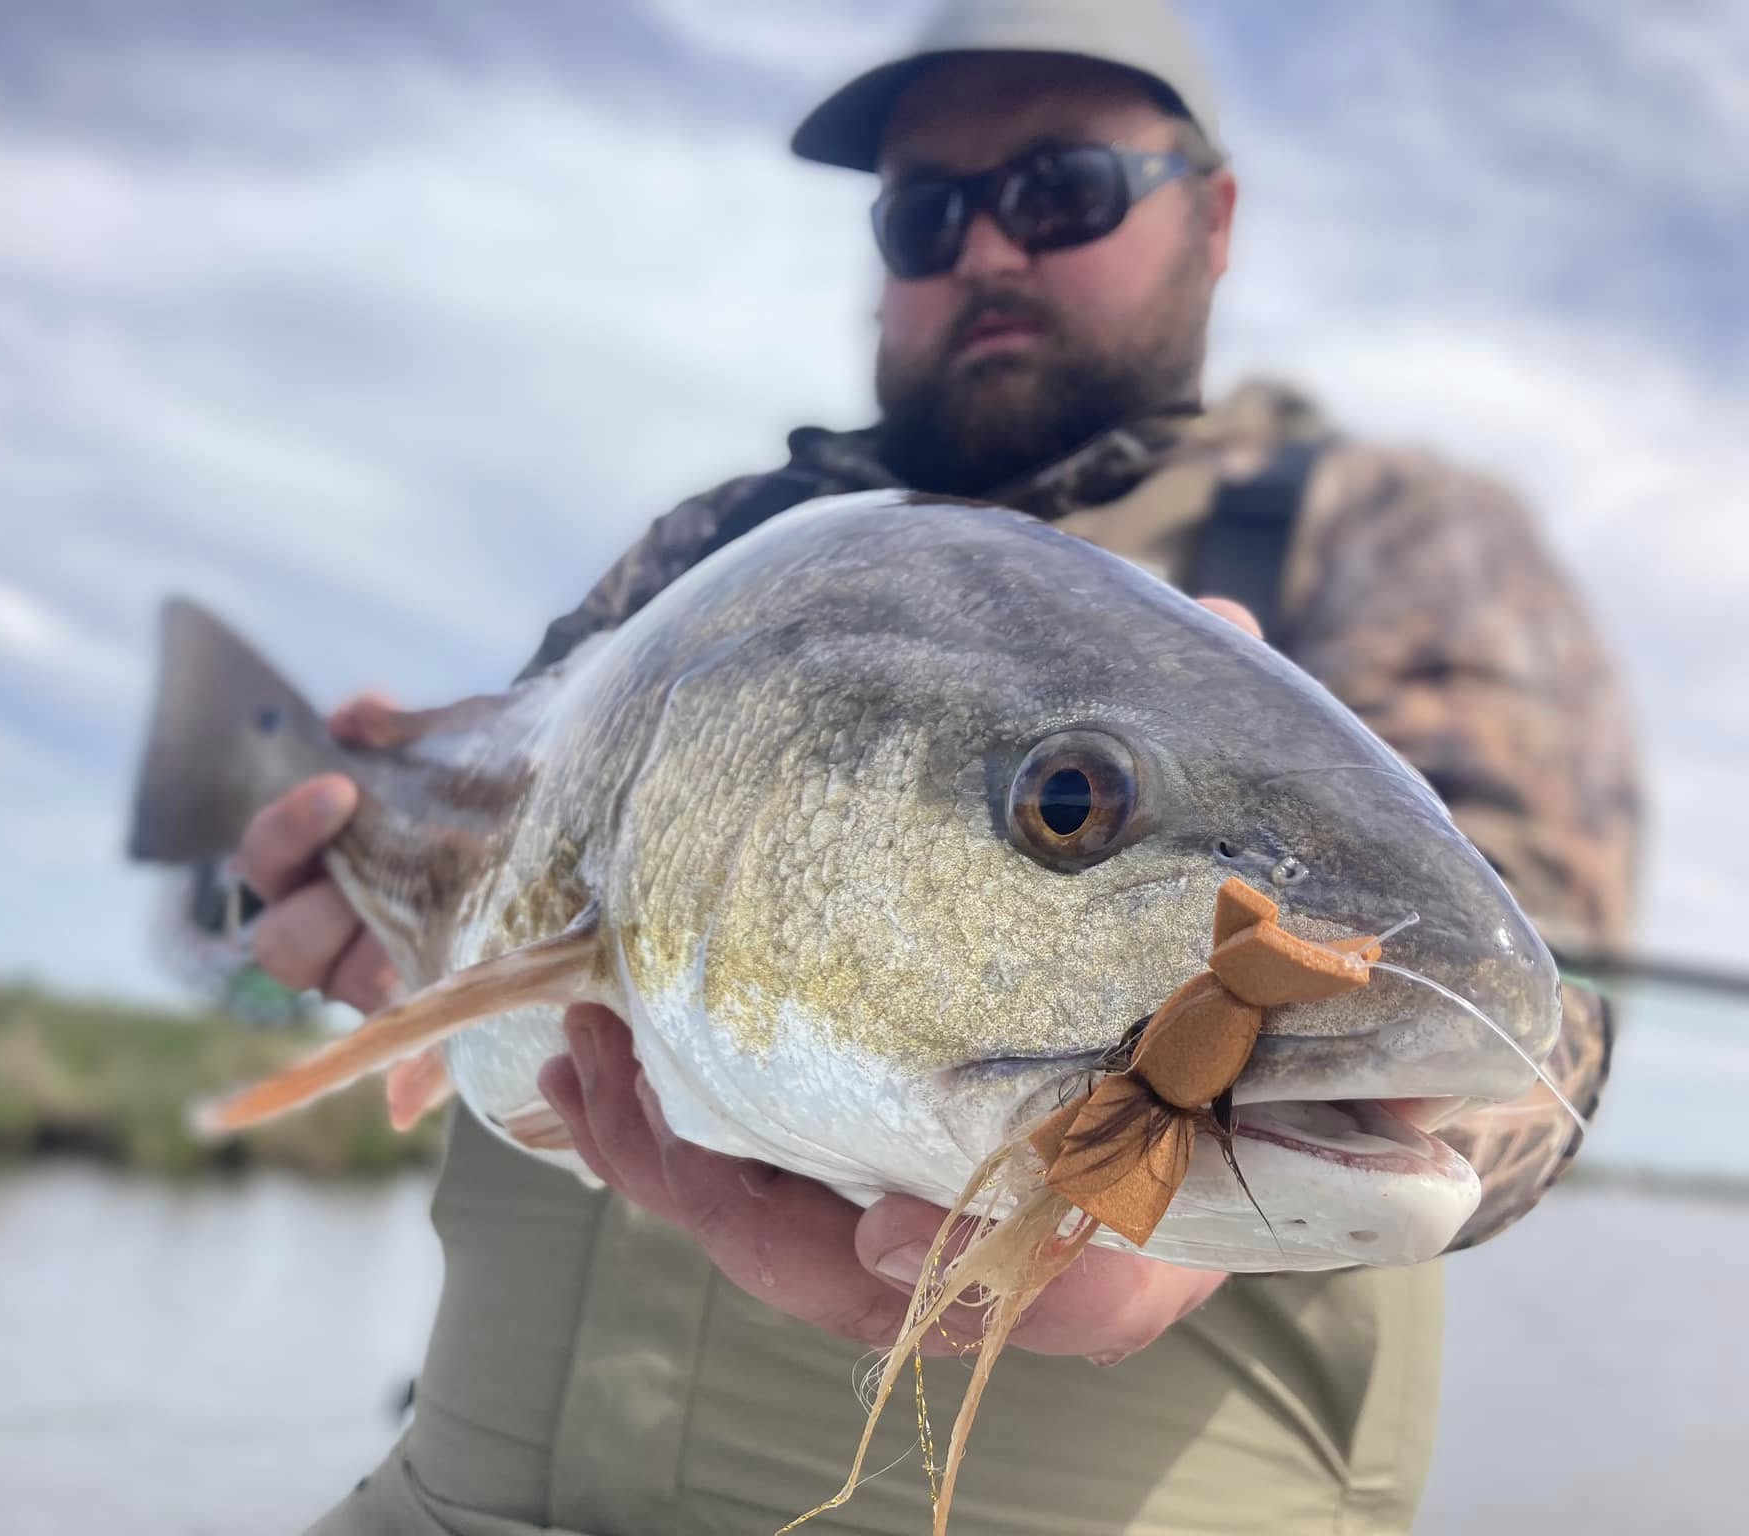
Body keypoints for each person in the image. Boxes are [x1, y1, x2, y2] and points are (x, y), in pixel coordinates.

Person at [237, 3, 1639, 1531]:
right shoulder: (701, 551)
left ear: (1213, 215)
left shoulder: (1394, 541)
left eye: (1061, 191)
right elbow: (439, 868)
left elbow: (1527, 1019)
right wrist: (300, 905)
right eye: (926, 214)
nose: (986, 249)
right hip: (468, 1482)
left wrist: (1158, 1224)